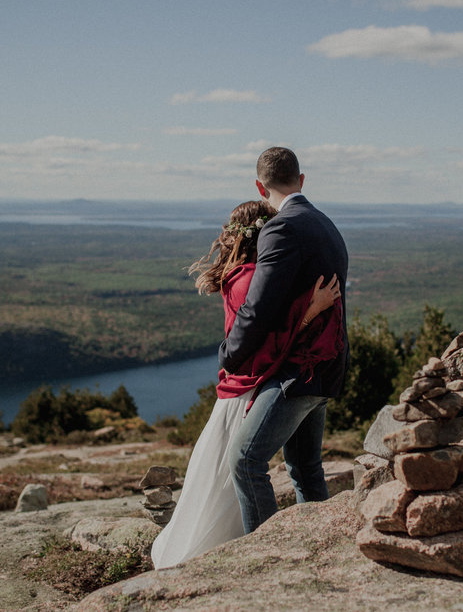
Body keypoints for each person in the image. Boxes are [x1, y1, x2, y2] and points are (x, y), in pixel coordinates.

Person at [150, 198, 343, 569]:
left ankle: (303, 549)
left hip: (249, 386)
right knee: (246, 463)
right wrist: (309, 313)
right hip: (249, 387)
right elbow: (264, 348)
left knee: (291, 467)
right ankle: (267, 557)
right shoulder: (251, 280)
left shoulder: (242, 274)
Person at [220, 146, 350, 534]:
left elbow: (258, 309)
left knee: (245, 461)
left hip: (299, 372)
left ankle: (265, 556)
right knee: (304, 467)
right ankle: (319, 545)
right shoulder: (325, 223)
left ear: (260, 187)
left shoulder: (281, 227)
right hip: (327, 366)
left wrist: (231, 355)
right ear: (302, 180)